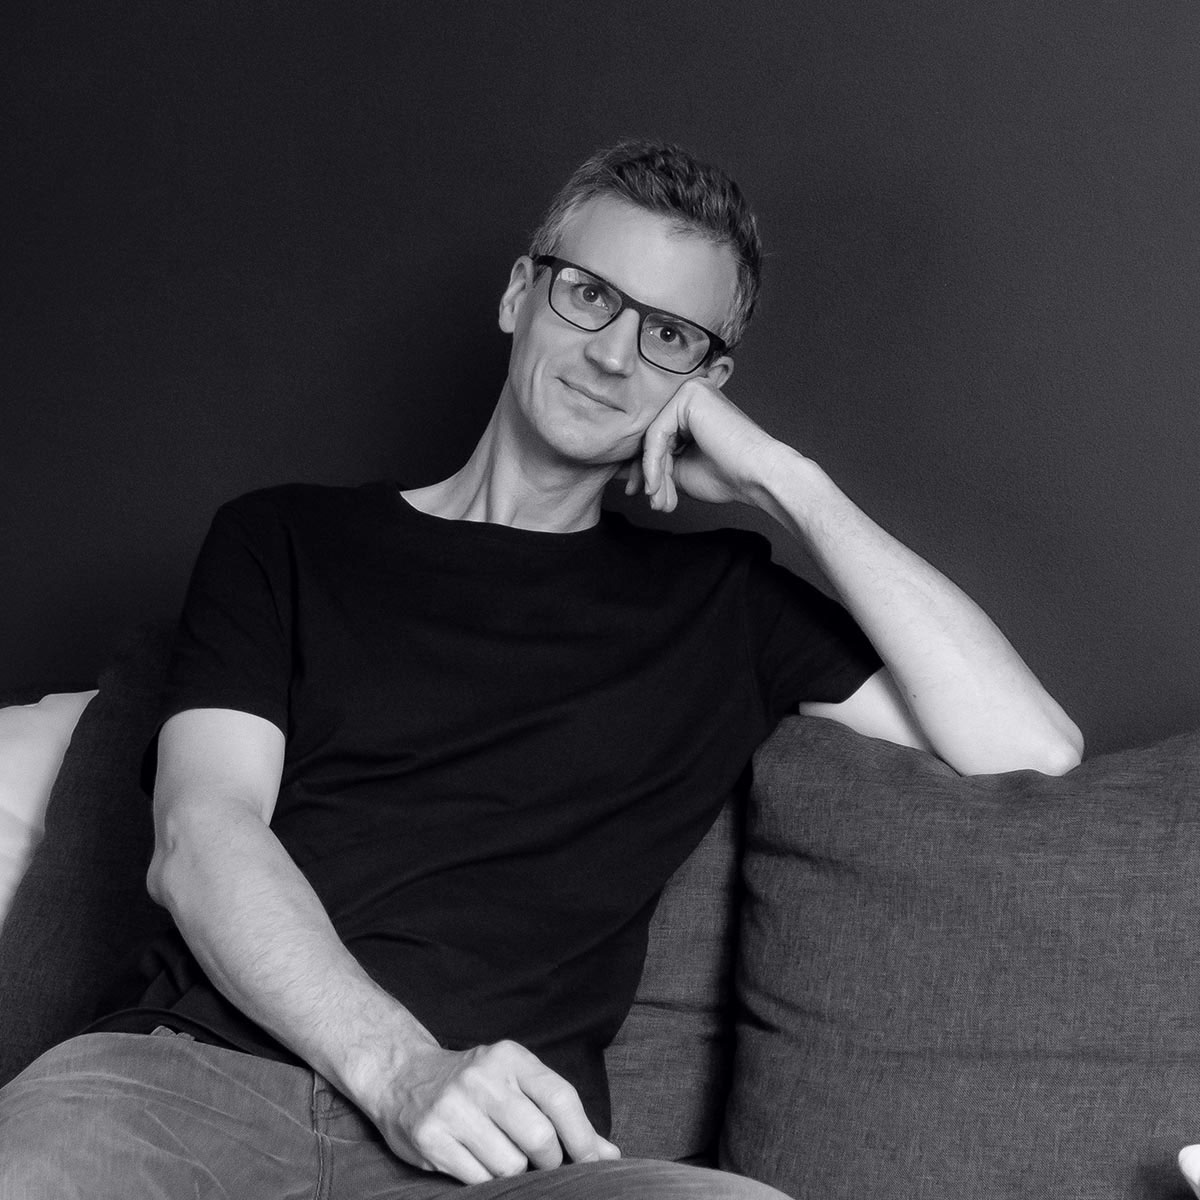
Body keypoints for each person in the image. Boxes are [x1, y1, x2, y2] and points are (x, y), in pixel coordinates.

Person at [0, 140, 1082, 1197]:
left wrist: (782, 481)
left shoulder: (724, 608)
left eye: (668, 336)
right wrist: (401, 1070)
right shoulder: (284, 540)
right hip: (191, 1087)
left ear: (708, 381)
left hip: (507, 1156)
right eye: (591, 296)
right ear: (522, 293)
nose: (614, 356)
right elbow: (200, 836)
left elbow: (1030, 744)